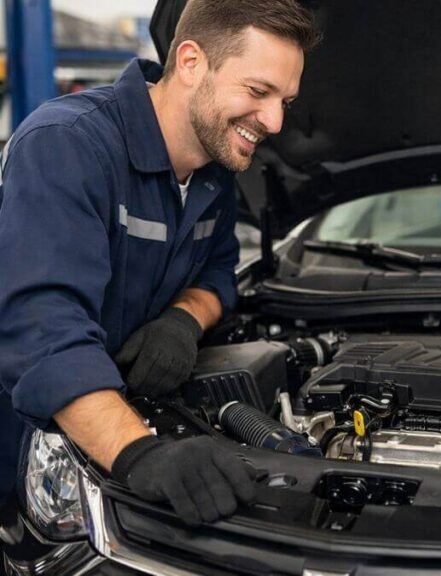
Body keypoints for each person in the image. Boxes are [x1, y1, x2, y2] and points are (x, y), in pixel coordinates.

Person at [0, 0, 318, 526]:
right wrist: (141, 455)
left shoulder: (214, 174)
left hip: (115, 424)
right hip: (23, 455)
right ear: (191, 62)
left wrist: (183, 320)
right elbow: (42, 330)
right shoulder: (68, 145)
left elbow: (219, 272)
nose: (276, 121)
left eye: (285, 100)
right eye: (259, 92)